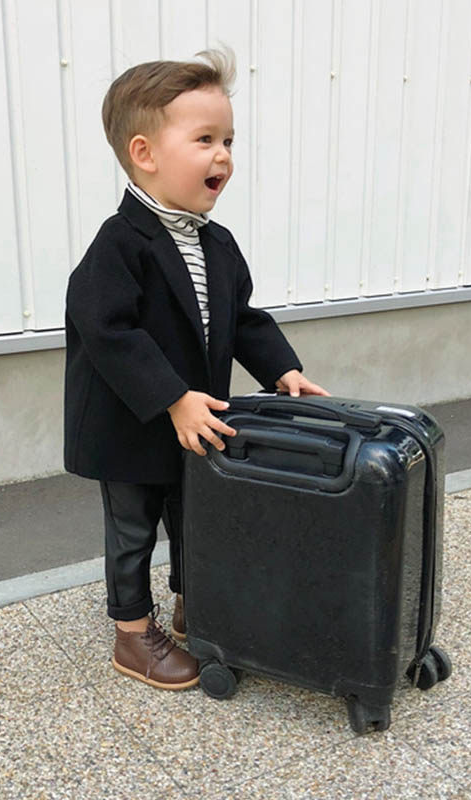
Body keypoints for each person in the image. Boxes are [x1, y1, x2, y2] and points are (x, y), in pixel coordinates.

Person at [64, 47, 328, 690]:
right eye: (205, 140)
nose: (224, 156)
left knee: (197, 518)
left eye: (229, 140)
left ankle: (196, 604)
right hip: (131, 425)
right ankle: (133, 633)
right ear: (145, 153)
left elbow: (242, 318)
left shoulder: (216, 242)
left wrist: (282, 370)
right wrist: (173, 397)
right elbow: (108, 332)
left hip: (197, 421)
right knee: (133, 529)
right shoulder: (120, 244)